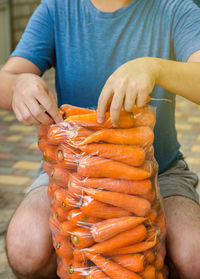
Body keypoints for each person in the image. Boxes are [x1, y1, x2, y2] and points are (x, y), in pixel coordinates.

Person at [1, 0, 200, 278]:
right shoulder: (56, 9)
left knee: (193, 256)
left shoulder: (175, 9)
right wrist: (18, 85)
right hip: (69, 172)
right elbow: (5, 79)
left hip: (160, 171)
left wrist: (154, 68)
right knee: (25, 247)